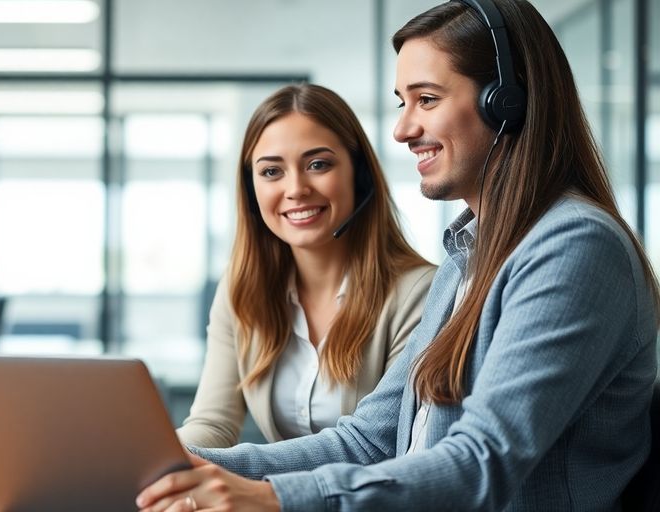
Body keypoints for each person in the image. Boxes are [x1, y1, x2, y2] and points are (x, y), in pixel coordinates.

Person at [136, 0, 660, 510]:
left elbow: (482, 462)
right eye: (402, 102)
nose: (403, 130)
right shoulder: (468, 257)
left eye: (426, 100)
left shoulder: (573, 247)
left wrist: (271, 498)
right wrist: (182, 462)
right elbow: (368, 441)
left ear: (506, 102)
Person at [177, 84, 435, 449]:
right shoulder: (242, 291)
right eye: (271, 172)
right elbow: (212, 423)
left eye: (318, 164)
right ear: (252, 190)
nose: (295, 188)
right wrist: (160, 465)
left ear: (358, 175)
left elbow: (377, 446)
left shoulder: (419, 293)